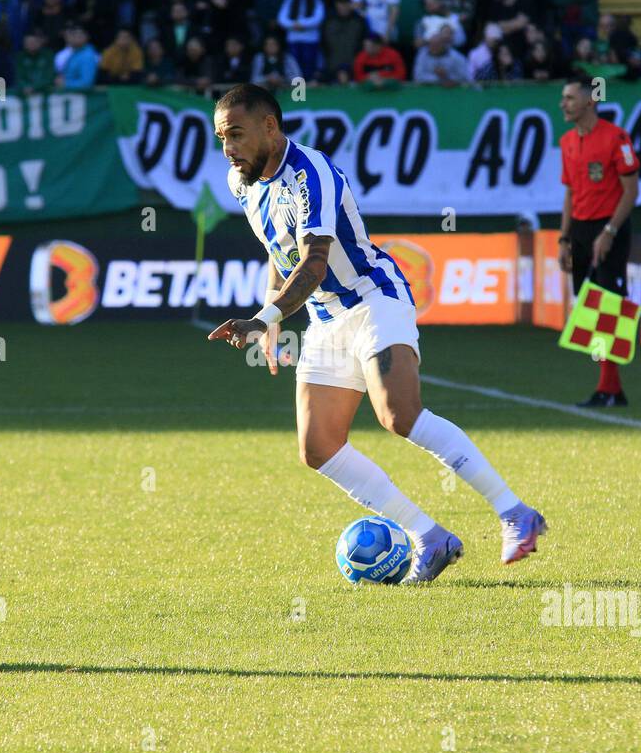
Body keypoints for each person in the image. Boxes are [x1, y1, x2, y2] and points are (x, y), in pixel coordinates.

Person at [206, 84, 546, 584]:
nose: (228, 148)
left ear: (269, 127)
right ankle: (429, 537)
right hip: (324, 319)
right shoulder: (242, 183)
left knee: (398, 415)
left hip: (372, 299)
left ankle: (515, 512)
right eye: (220, 137)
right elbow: (278, 253)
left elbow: (315, 263)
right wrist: (269, 315)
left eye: (235, 133)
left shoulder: (310, 175)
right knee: (318, 448)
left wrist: (267, 319)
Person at [557, 76, 640, 408]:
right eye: (563, 98)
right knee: (588, 307)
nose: (564, 104)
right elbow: (570, 191)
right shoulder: (566, 141)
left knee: (610, 307)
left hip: (609, 229)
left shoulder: (616, 138)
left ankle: (607, 388)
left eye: (570, 98)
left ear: (590, 101)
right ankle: (612, 388)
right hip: (579, 229)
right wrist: (564, 238)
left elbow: (631, 191)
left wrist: (610, 231)